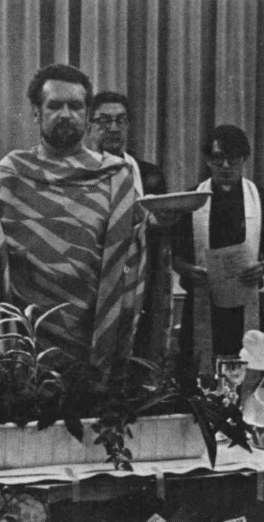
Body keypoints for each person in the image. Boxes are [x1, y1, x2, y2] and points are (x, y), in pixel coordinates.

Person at [0, 64, 147, 378]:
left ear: (87, 115)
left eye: (75, 106)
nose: (66, 114)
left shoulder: (115, 176)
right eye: (55, 105)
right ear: (36, 113)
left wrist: (157, 228)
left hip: (92, 338)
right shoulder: (10, 175)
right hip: (25, 345)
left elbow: (131, 255)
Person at [173, 125, 264, 376]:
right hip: (202, 300)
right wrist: (189, 270)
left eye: (233, 159)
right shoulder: (192, 198)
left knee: (247, 370)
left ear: (244, 159)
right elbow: (176, 255)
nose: (225, 166)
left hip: (244, 301)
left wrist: (263, 266)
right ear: (207, 160)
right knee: (198, 372)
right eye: (217, 159)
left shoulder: (260, 197)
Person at [85, 90, 173, 362]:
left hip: (140, 283)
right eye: (103, 121)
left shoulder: (150, 175)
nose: (113, 128)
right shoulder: (77, 175)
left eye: (121, 121)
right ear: (88, 125)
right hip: (93, 285)